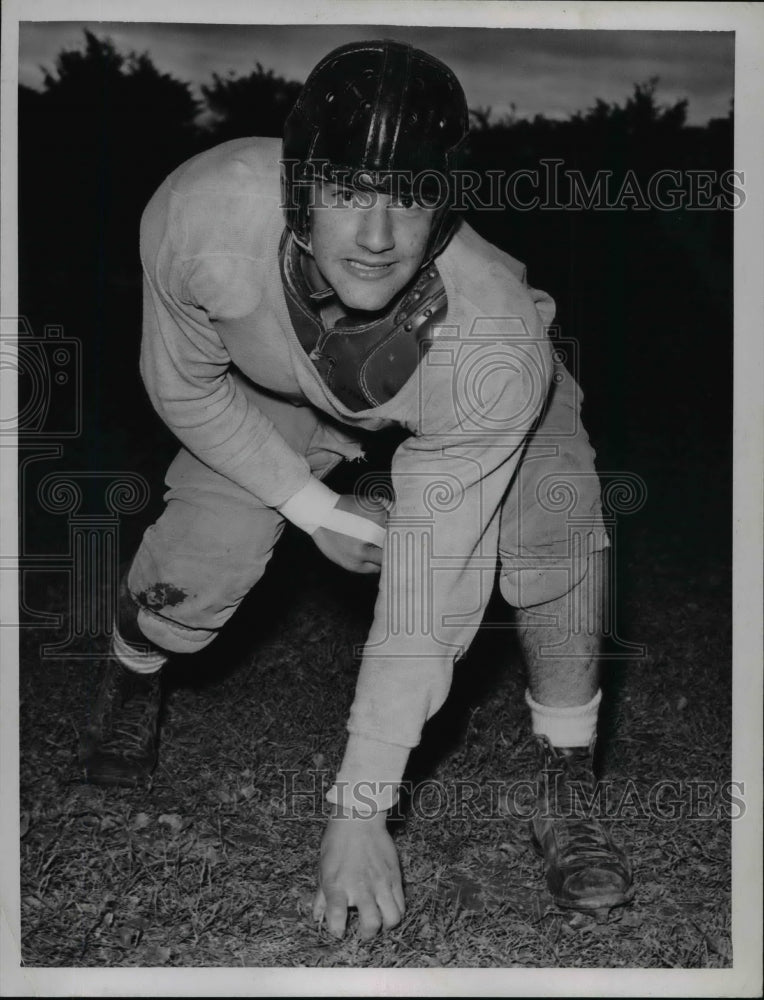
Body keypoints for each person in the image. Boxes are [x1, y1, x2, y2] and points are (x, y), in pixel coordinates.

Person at [80, 39, 633, 938]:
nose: (376, 239)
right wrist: (312, 504)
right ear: (301, 188)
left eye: (410, 197)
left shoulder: (490, 340)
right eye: (346, 192)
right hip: (275, 383)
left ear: (444, 206)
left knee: (553, 517)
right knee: (198, 565)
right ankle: (134, 674)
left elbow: (431, 580)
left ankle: (565, 776)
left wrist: (360, 806)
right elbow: (184, 386)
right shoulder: (202, 214)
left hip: (454, 387)